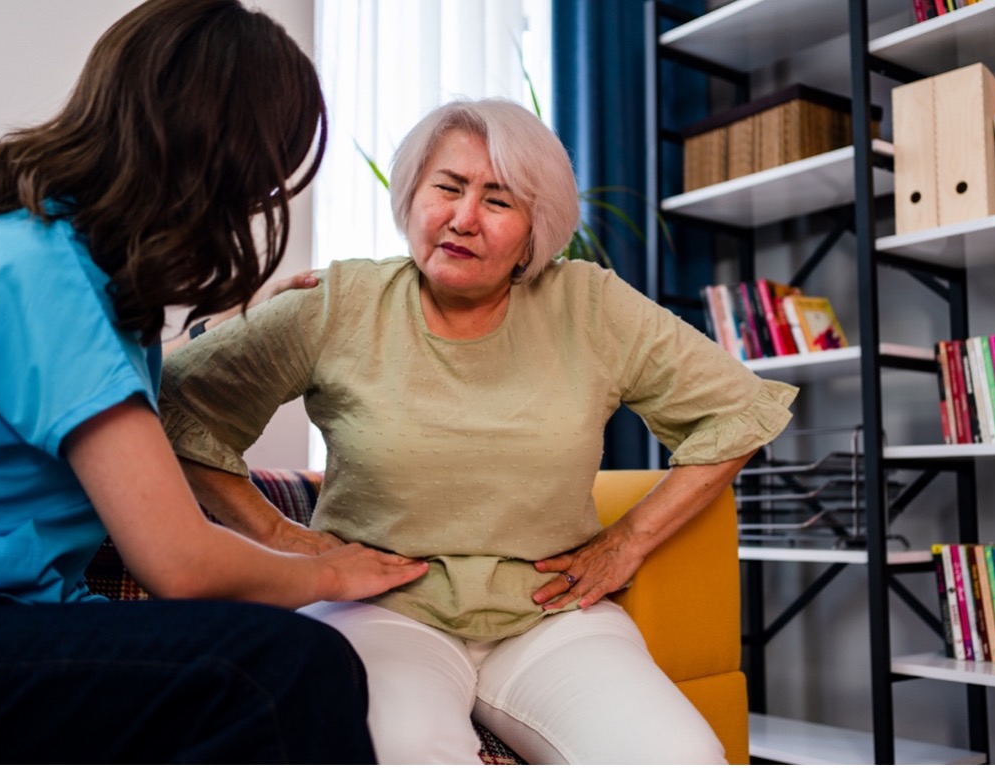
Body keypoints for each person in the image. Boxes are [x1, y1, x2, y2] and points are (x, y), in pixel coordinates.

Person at [159, 96, 798, 764]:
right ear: (412, 195)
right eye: (447, 187)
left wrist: (627, 542)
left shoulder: (589, 304)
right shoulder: (339, 303)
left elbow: (735, 411)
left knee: (680, 757)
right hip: (379, 608)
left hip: (550, 615)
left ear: (534, 228)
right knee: (404, 751)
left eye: (498, 200)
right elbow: (176, 406)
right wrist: (280, 538)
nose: (463, 218)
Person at [0, 0, 428, 763]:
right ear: (211, 149)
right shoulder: (42, 269)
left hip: (2, 612)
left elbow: (112, 407)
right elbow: (180, 562)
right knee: (285, 669)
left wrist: (245, 327)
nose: (261, 197)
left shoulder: (49, 255)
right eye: (262, 171)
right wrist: (325, 570)